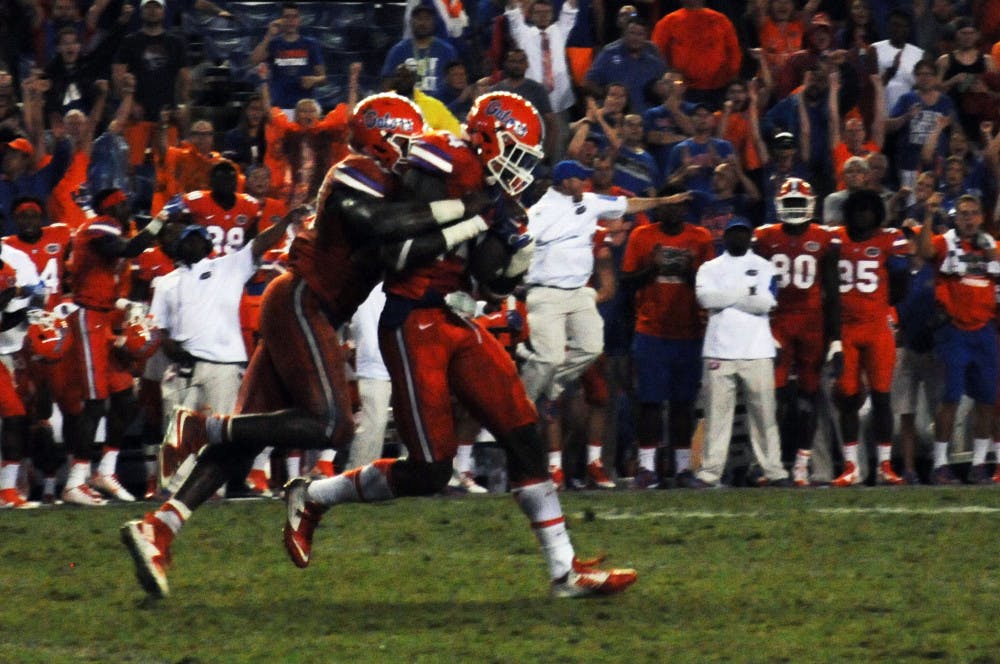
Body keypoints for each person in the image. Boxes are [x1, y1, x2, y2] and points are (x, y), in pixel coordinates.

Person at [121, 92, 496, 598]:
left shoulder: (392, 186)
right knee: (332, 423)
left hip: (314, 308)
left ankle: (158, 529)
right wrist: (468, 212)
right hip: (301, 300)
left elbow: (413, 242)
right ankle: (198, 426)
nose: (413, 155)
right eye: (404, 143)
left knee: (246, 439)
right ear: (381, 140)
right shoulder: (353, 172)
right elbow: (382, 227)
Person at [279, 92, 637, 599]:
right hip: (410, 318)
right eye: (517, 147)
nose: (522, 164)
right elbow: (399, 251)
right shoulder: (441, 160)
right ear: (490, 136)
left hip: (450, 316)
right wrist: (477, 220)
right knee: (428, 469)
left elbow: (487, 284)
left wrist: (512, 260)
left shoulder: (490, 185)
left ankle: (564, 570)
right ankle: (314, 495)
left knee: (522, 431)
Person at [153, 209, 296, 492]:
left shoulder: (227, 267)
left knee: (223, 433)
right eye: (186, 239)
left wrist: (285, 221)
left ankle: (215, 489)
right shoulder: (165, 282)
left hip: (223, 367)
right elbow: (160, 329)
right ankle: (173, 489)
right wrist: (172, 351)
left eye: (197, 238)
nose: (191, 243)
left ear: (207, 245)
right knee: (176, 431)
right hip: (184, 365)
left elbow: (259, 244)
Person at [57, 188, 166, 505]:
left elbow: (100, 281)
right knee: (94, 404)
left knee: (125, 400)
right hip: (88, 320)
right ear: (109, 208)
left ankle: (104, 470)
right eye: (121, 204)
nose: (127, 208)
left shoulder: (105, 227)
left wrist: (126, 304)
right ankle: (74, 481)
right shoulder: (101, 226)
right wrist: (160, 220)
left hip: (104, 318)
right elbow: (130, 249)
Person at [752, 178, 841, 486]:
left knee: (808, 396)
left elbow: (832, 291)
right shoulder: (764, 237)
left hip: (812, 323)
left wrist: (836, 337)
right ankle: (771, 463)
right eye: (787, 203)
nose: (793, 209)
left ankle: (802, 464)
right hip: (776, 320)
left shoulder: (823, 238)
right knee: (770, 397)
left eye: (797, 203)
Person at [619, 193, 710, 488]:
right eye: (668, 203)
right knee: (650, 402)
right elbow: (627, 282)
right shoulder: (641, 235)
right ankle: (647, 468)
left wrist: (690, 272)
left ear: (686, 207)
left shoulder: (701, 237)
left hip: (689, 330)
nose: (673, 209)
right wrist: (654, 268)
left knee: (684, 403)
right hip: (651, 330)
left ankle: (683, 469)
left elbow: (711, 285)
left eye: (679, 204)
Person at [694, 216, 789, 488]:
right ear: (725, 236)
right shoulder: (709, 267)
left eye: (743, 233)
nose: (738, 238)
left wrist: (726, 298)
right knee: (716, 416)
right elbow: (705, 299)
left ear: (750, 237)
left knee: (764, 416)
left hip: (758, 349)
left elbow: (767, 303)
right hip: (718, 350)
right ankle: (710, 473)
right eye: (733, 233)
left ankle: (774, 471)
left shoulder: (764, 266)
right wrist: (744, 295)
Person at [917, 194, 999, 484]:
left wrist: (988, 251)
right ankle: (940, 463)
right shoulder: (946, 241)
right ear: (956, 217)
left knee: (988, 400)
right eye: (963, 213)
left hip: (985, 330)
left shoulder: (990, 245)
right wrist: (928, 215)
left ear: (980, 217)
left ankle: (978, 464)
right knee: (950, 399)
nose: (969, 218)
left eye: (974, 213)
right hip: (954, 331)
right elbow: (925, 250)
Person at [830, 190, 910, 486]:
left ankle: (884, 465)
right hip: (846, 330)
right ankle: (851, 466)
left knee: (881, 397)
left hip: (877, 327)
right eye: (858, 209)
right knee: (848, 398)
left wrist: (881, 307)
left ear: (877, 213)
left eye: (869, 210)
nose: (863, 215)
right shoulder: (835, 239)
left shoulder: (890, 239)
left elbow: (902, 285)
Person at [504, 0, 579, 158]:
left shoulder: (560, 30)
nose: (543, 16)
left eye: (547, 13)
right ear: (531, 15)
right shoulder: (522, 33)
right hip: (531, 105)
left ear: (552, 15)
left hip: (558, 103)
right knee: (528, 147)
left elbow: (571, 7)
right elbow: (512, 12)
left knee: (559, 148)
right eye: (539, 13)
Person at [651, 0, 742, 107]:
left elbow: (734, 53)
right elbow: (656, 54)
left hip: (719, 89)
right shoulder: (668, 22)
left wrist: (731, 79)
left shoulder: (721, 20)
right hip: (682, 91)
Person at [248, 1, 326, 116]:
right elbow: (253, 61)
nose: (291, 21)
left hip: (306, 108)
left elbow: (323, 78)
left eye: (294, 17)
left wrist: (314, 80)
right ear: (280, 20)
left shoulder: (311, 44)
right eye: (286, 17)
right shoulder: (273, 43)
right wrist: (269, 34)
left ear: (299, 20)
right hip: (280, 107)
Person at [583, 16, 666, 115]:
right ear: (624, 34)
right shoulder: (609, 54)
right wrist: (609, 97)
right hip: (614, 119)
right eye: (631, 33)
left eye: (640, 34)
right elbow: (588, 82)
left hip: (644, 120)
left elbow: (665, 91)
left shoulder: (654, 63)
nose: (635, 38)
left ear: (646, 37)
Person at [179, 160, 262, 256]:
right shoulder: (193, 200)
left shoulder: (249, 204)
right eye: (222, 180)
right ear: (211, 182)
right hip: (203, 264)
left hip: (236, 265)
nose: (226, 184)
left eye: (230, 180)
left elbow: (253, 242)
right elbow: (173, 229)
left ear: (236, 182)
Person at [490, 48, 558, 162]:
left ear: (527, 64)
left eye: (521, 61)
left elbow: (552, 125)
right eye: (513, 62)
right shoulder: (495, 90)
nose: (517, 65)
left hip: (530, 150)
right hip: (502, 152)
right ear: (506, 64)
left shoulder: (537, 89)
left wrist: (545, 153)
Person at [381, 2, 459, 100]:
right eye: (419, 18)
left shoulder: (447, 51)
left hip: (439, 107)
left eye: (427, 19)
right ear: (411, 22)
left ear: (434, 22)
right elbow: (386, 85)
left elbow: (456, 84)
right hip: (408, 108)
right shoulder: (398, 50)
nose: (423, 23)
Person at [873, 8, 925, 112]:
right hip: (880, 110)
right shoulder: (874, 49)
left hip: (909, 112)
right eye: (895, 25)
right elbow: (869, 86)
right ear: (888, 26)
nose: (899, 29)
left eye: (903, 26)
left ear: (909, 29)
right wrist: (891, 70)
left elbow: (921, 87)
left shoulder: (919, 53)